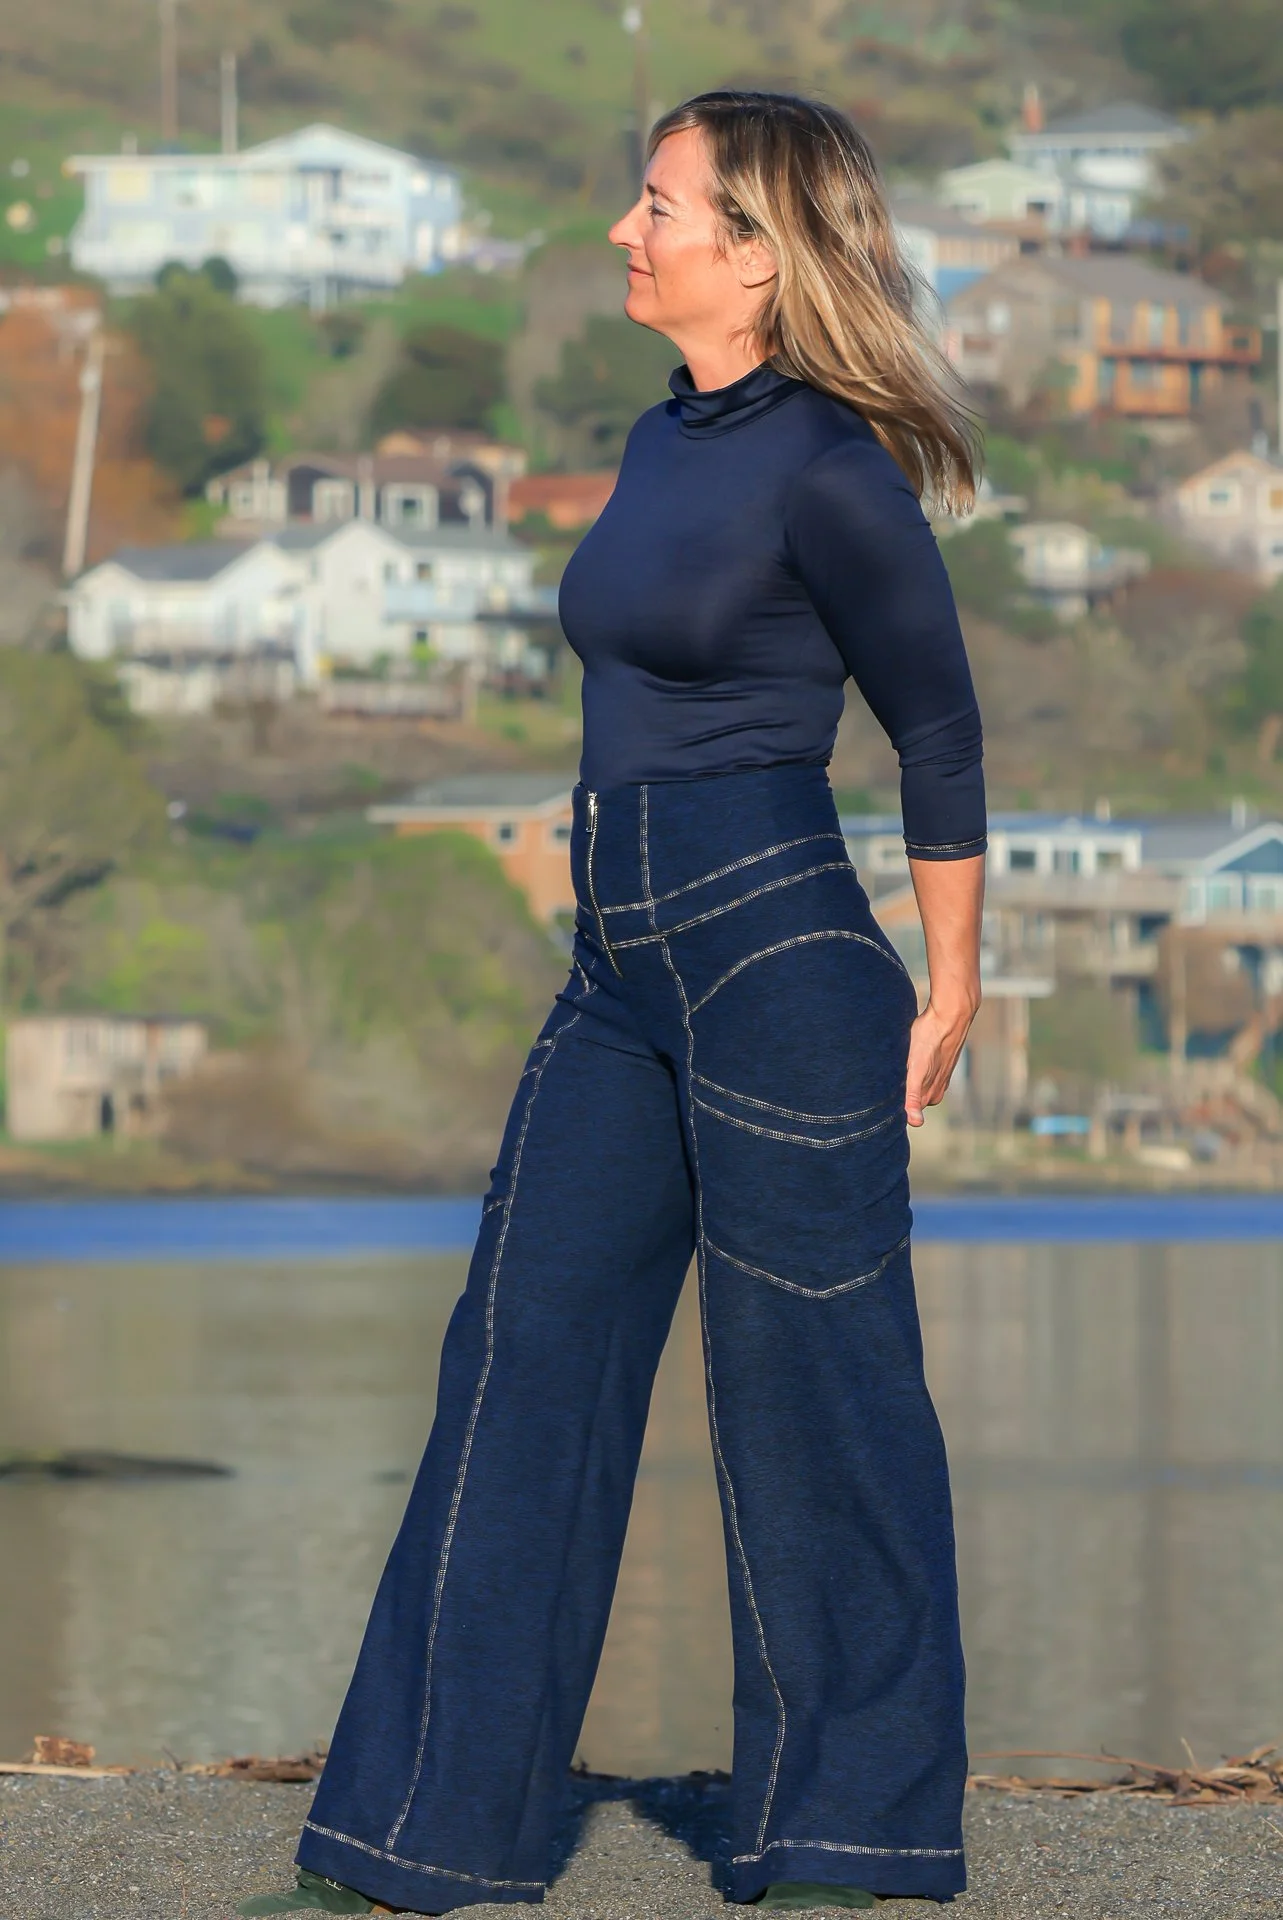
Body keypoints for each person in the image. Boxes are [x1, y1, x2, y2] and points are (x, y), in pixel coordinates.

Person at [239, 89, 985, 1918]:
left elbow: (940, 726)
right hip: (618, 965)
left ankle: (852, 1847)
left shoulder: (831, 465)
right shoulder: (662, 441)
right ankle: (411, 1844)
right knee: (518, 1360)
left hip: (781, 950)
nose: (619, 232)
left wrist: (956, 978)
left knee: (813, 1389)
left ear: (755, 247)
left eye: (656, 206)